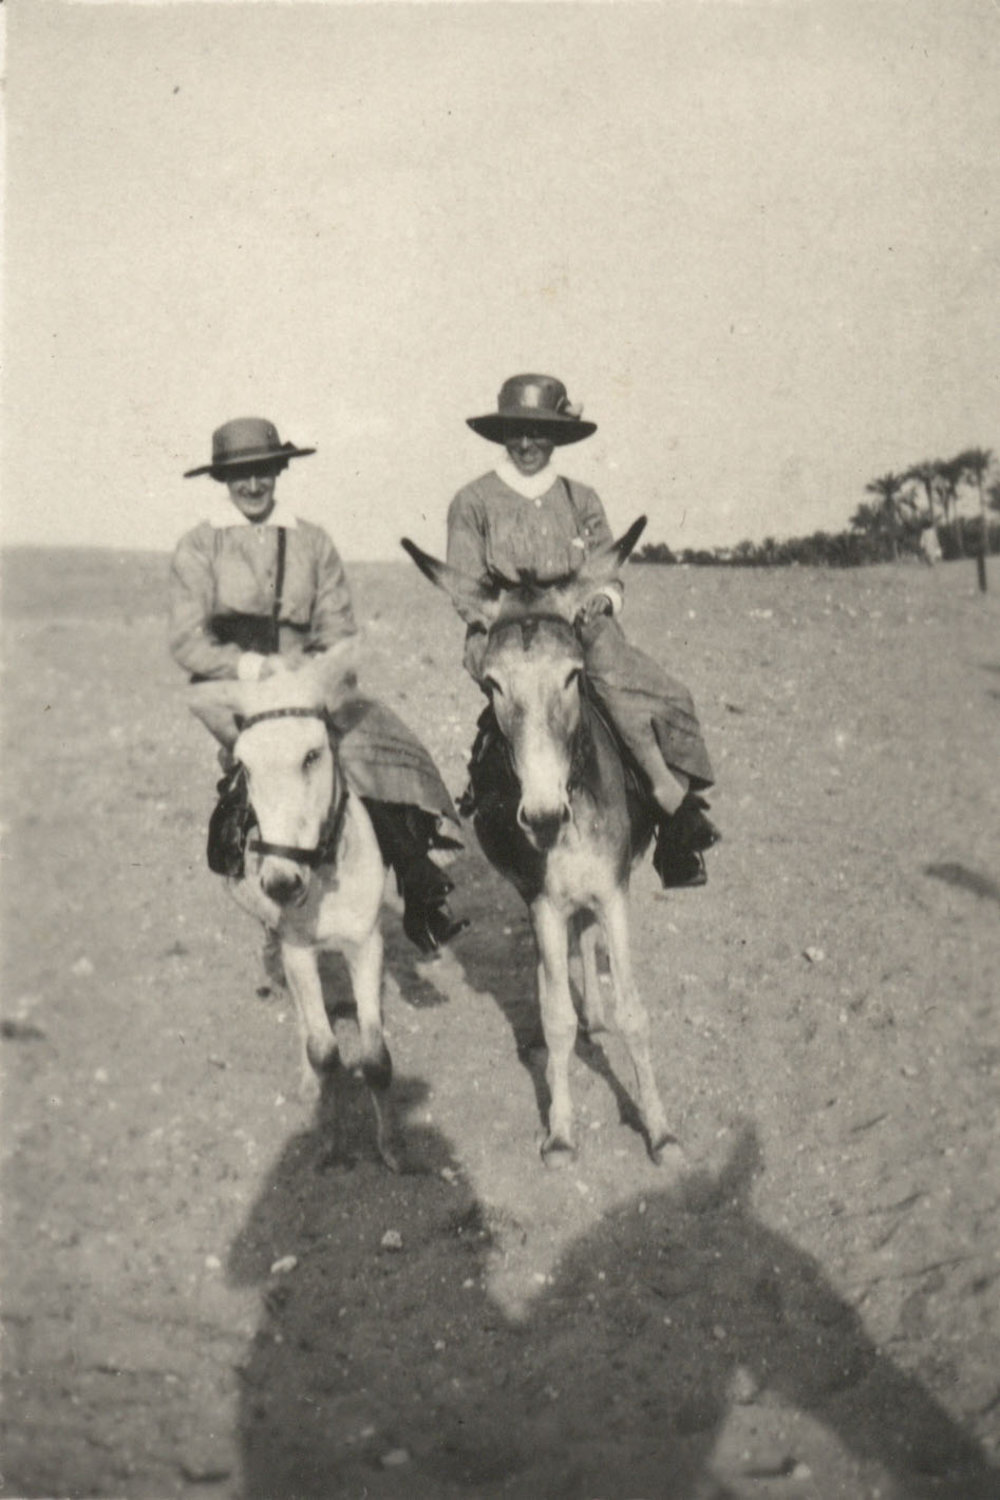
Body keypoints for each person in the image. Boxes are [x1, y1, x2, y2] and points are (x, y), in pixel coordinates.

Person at [170, 415, 467, 955]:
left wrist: (316, 673)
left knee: (377, 749)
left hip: (308, 683)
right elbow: (189, 643)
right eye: (241, 475)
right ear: (223, 480)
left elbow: (337, 629)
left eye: (263, 471)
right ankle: (253, 876)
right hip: (236, 690)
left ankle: (420, 884)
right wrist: (252, 669)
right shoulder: (199, 547)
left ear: (278, 470)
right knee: (258, 769)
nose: (253, 485)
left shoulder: (312, 542)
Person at [446, 374, 719, 887]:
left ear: (558, 436)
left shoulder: (582, 499)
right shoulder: (472, 501)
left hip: (577, 622)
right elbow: (464, 585)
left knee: (632, 685)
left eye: (539, 432)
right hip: (504, 628)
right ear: (502, 434)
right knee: (521, 698)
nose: (527, 444)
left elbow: (606, 569)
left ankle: (667, 799)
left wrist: (599, 598)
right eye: (516, 432)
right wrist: (497, 619)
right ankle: (498, 807)